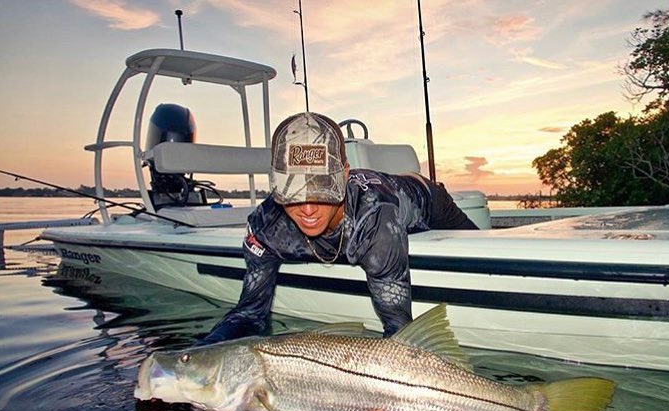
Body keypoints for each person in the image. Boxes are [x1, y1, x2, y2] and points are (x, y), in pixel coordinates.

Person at [201, 111, 477, 344]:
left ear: (344, 175)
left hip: (426, 198)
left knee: (478, 246)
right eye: (293, 193)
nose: (308, 210)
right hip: (380, 200)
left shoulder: (375, 221)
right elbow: (248, 315)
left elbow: (399, 332)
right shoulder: (266, 226)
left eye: (322, 190)